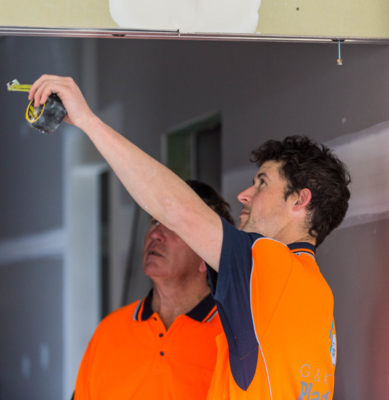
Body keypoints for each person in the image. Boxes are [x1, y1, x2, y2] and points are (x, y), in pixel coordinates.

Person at [29, 75, 351, 399]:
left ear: (300, 199)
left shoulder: (270, 268)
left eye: (262, 183)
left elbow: (176, 209)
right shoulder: (317, 295)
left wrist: (87, 120)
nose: (244, 194)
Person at [73, 180, 235, 400]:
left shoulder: (233, 336)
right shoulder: (109, 331)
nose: (155, 234)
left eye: (175, 226)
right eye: (155, 221)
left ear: (207, 256)